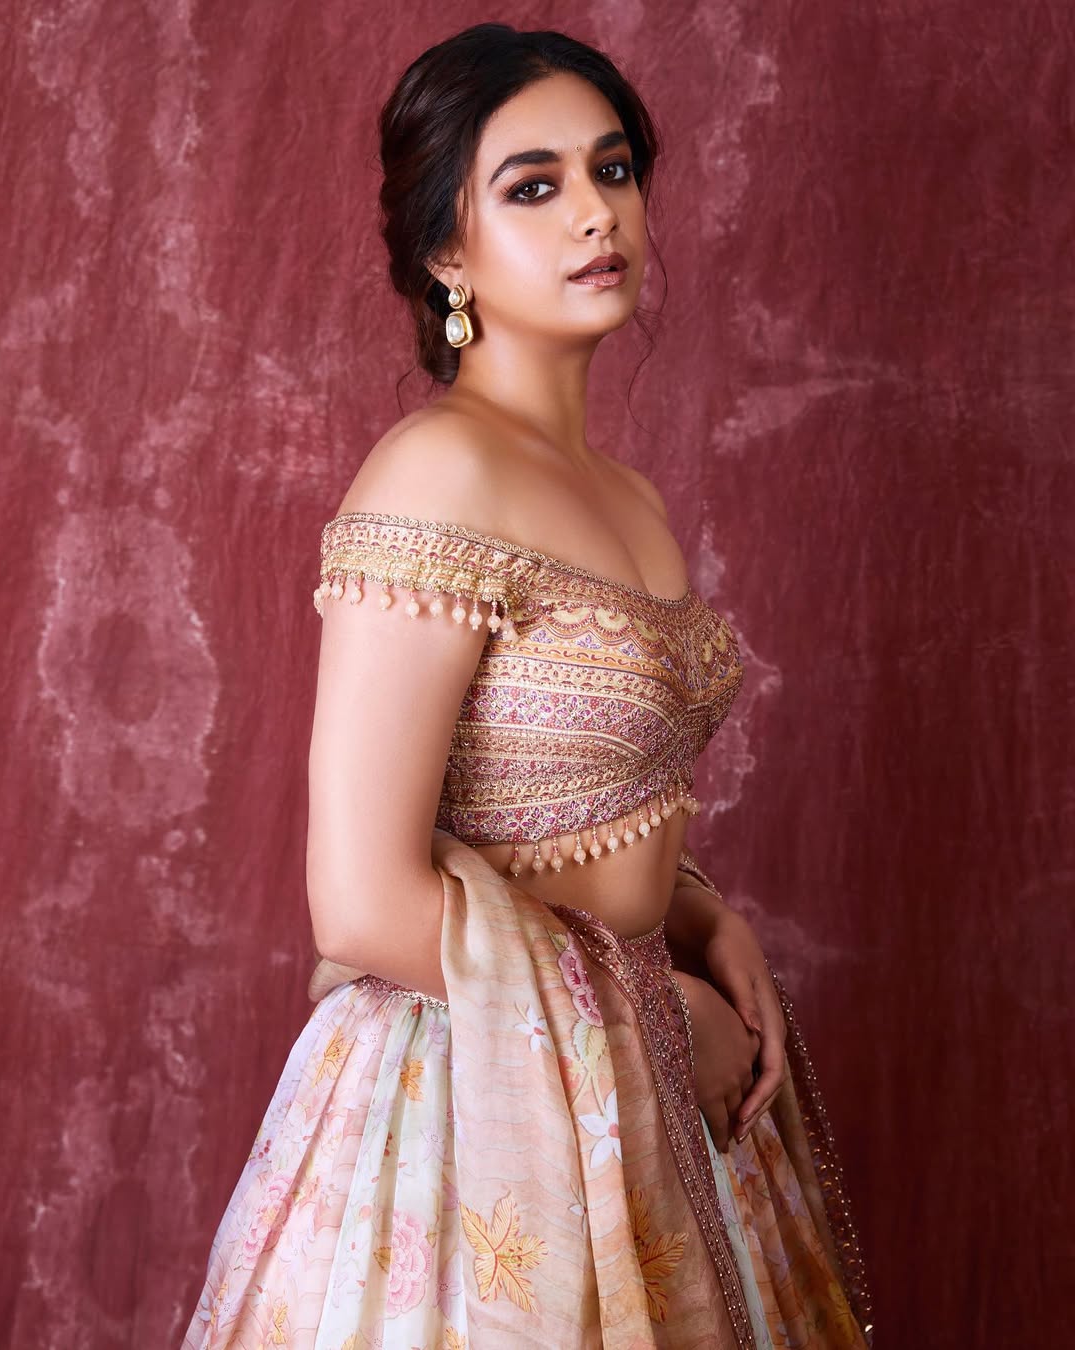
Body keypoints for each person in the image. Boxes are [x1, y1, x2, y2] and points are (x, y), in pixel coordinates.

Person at [183, 23, 874, 1349]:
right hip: (472, 1105)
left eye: (612, 170)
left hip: (628, 1076)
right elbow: (361, 897)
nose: (596, 214)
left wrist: (696, 916)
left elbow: (556, 806)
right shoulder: (436, 473)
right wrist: (656, 1018)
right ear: (447, 252)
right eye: (533, 186)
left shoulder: (630, 498)